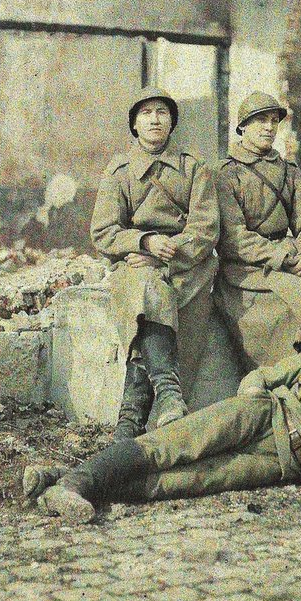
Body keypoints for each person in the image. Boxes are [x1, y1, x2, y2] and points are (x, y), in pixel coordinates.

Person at [22, 302, 301, 523]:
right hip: (261, 416)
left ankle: (58, 481)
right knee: (171, 444)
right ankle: (75, 484)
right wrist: (251, 394)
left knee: (184, 481)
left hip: (280, 463)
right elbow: (263, 375)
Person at [89, 87, 220, 440]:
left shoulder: (194, 168)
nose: (155, 119)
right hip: (135, 265)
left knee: (150, 300)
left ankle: (129, 422)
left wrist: (167, 250)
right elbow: (103, 233)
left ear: (172, 122)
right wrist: (143, 241)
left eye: (162, 112)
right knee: (145, 288)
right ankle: (167, 392)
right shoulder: (118, 173)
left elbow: (206, 228)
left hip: (186, 266)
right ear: (134, 124)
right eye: (146, 113)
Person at [215, 91, 301, 368]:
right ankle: (282, 377)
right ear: (242, 126)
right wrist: (282, 259)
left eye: (273, 121)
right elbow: (232, 236)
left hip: (288, 264)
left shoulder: (289, 171)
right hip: (245, 272)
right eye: (260, 121)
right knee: (300, 302)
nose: (269, 127)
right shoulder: (225, 173)